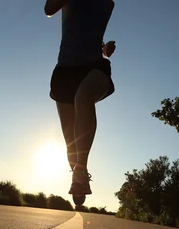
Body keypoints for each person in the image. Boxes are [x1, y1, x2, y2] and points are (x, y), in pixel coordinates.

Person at [45, 0, 116, 206]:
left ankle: (81, 171)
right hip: (65, 72)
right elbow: (49, 9)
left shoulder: (108, 3)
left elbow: (90, 30)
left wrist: (104, 51)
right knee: (71, 144)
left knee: (83, 97)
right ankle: (78, 180)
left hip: (95, 66)